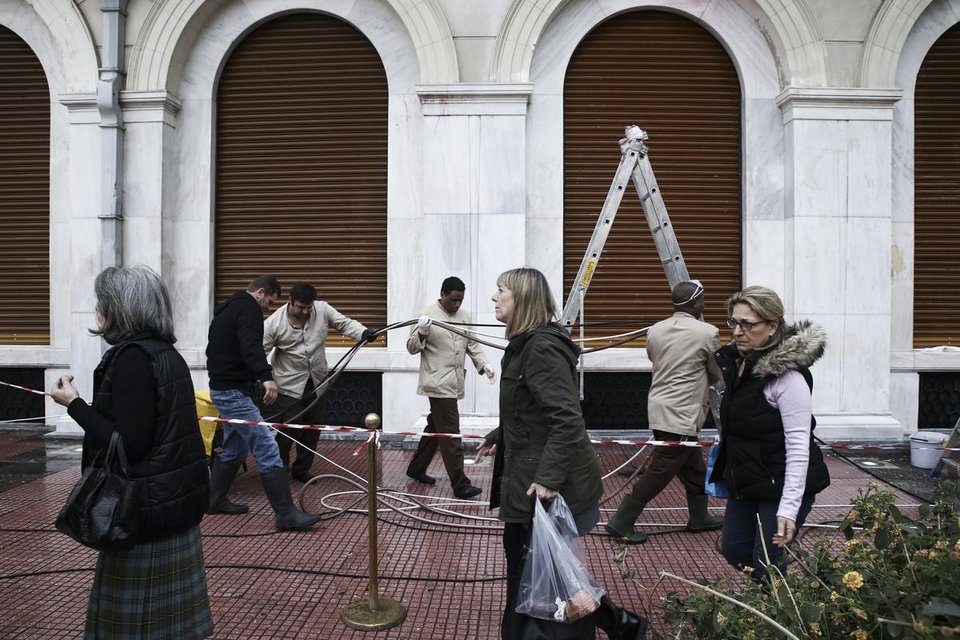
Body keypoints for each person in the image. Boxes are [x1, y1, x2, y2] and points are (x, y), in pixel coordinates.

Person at [477, 267, 648, 640]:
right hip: (530, 477)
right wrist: (497, 434)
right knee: (551, 566)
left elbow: (567, 420)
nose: (494, 297)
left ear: (520, 298)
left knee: (532, 568)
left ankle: (605, 626)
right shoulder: (525, 344)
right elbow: (530, 409)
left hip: (544, 485)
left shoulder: (541, 348)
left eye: (500, 290)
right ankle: (623, 625)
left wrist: (549, 478)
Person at [50, 265, 213, 639]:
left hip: (142, 515)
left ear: (117, 308)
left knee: (127, 628)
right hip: (171, 508)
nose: (97, 312)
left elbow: (130, 445)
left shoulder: (132, 359)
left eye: (101, 303)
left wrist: (74, 404)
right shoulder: (165, 354)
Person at [709, 285, 829, 581]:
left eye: (748, 324)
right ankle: (769, 600)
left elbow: (799, 445)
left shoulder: (787, 378)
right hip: (749, 481)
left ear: (773, 326)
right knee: (735, 550)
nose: (737, 331)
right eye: (733, 322)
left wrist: (788, 508)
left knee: (767, 563)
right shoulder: (739, 364)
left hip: (782, 483)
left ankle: (780, 619)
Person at [606, 280, 724, 544]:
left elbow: (654, 357)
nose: (704, 304)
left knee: (693, 465)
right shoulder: (708, 332)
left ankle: (699, 518)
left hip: (659, 407)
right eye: (703, 300)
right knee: (661, 469)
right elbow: (716, 373)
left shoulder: (656, 330)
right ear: (696, 303)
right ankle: (621, 521)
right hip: (683, 413)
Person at [205, 275, 321, 530]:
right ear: (259, 292)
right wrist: (266, 377)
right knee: (267, 446)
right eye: (269, 301)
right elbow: (252, 346)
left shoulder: (227, 309)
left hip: (225, 388)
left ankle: (214, 500)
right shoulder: (248, 309)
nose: (268, 307)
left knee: (235, 448)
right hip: (234, 392)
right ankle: (286, 514)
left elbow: (214, 350)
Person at [263, 282, 378, 483]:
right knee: (289, 427)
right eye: (301, 307)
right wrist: (265, 379)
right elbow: (259, 353)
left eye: (309, 307)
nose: (306, 311)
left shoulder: (322, 309)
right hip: (287, 384)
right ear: (290, 301)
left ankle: (302, 469)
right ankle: (278, 467)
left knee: (313, 427)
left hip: (317, 381)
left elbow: (345, 323)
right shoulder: (273, 324)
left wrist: (363, 332)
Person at [406, 276, 495, 499]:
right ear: (443, 294)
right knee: (451, 434)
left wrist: (484, 364)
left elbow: (472, 344)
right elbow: (411, 347)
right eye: (453, 300)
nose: (457, 305)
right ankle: (460, 485)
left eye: (460, 300)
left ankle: (416, 469)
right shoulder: (425, 314)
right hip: (437, 383)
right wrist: (422, 331)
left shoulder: (464, 316)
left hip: (454, 381)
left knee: (435, 427)